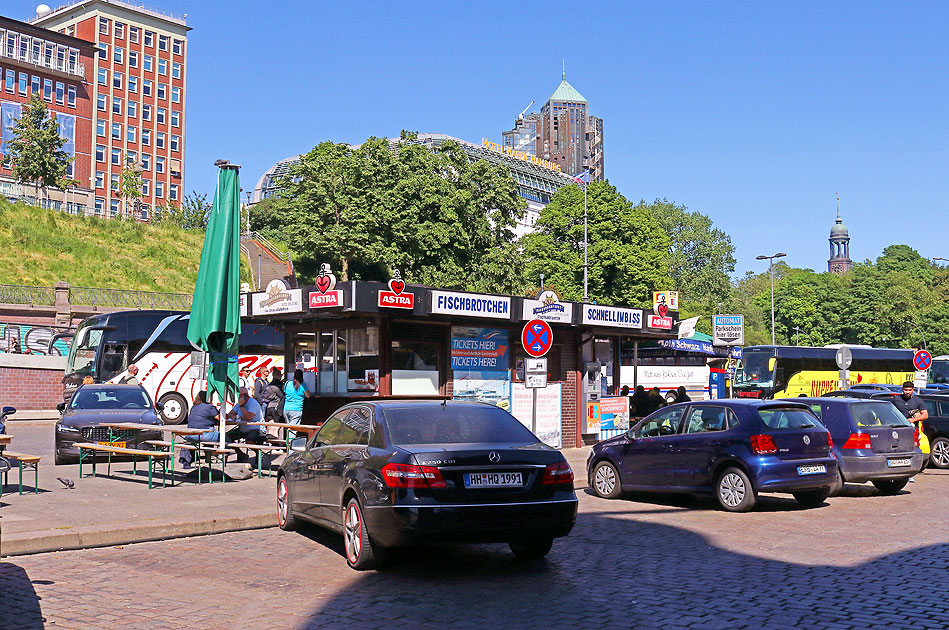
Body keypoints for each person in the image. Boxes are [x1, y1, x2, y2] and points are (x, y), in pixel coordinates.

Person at [892, 381, 928, 482]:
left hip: (912, 431)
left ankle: (908, 474)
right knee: (898, 452)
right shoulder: (896, 399)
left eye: (909, 390)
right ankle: (896, 473)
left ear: (913, 390)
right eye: (905, 390)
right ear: (902, 389)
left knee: (911, 451)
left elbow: (925, 415)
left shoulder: (918, 400)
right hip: (898, 430)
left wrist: (912, 420)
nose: (907, 392)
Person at [180, 390, 220, 469]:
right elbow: (219, 418)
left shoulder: (194, 407)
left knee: (208, 436)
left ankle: (204, 459)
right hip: (203, 435)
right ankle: (216, 458)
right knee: (224, 437)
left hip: (190, 434)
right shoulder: (209, 407)